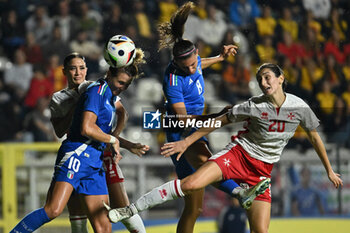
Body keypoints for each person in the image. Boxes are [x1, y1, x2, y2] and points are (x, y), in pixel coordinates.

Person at [105, 63, 343, 233]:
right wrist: (187, 141)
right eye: (260, 78)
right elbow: (217, 122)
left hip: (262, 173)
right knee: (190, 185)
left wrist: (330, 170)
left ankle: (241, 192)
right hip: (237, 156)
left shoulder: (299, 107)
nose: (263, 82)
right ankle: (130, 210)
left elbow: (314, 137)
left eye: (268, 77)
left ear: (281, 79)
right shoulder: (252, 105)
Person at [107, 3, 266, 233]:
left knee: (194, 208)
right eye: (187, 67)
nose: (192, 70)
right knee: (208, 163)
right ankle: (240, 192)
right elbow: (183, 120)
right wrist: (217, 118)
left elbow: (200, 64)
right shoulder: (172, 81)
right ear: (176, 65)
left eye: (194, 63)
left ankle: (239, 193)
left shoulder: (193, 62)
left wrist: (220, 57)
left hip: (192, 125)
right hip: (180, 131)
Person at [10, 51, 146, 233]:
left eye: (81, 68)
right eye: (73, 69)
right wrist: (79, 107)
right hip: (77, 154)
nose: (77, 73)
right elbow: (78, 129)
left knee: (104, 226)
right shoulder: (84, 93)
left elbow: (120, 115)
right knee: (54, 210)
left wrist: (120, 142)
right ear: (64, 71)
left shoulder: (105, 91)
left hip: (96, 158)